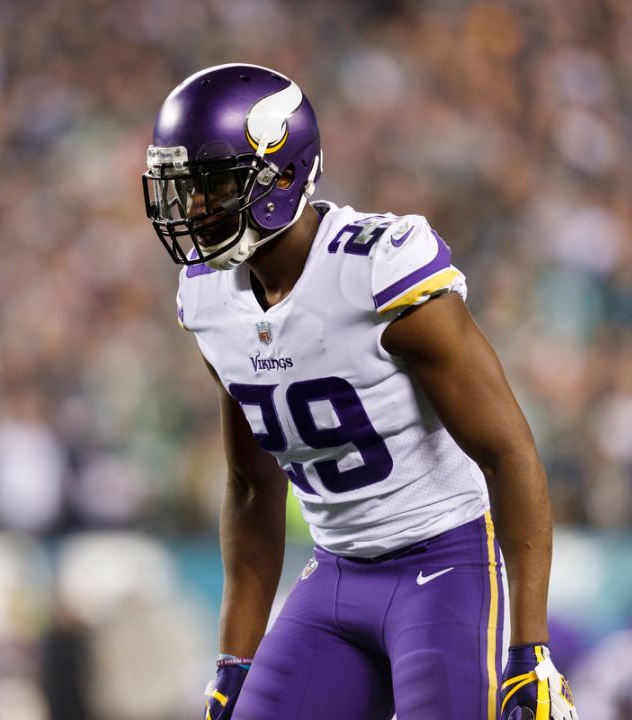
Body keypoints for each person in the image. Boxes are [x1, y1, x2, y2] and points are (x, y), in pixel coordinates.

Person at [142, 63, 578, 720]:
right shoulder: (207, 298)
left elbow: (508, 452)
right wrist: (234, 660)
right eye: (185, 188)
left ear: (282, 176)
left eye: (213, 184)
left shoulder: (378, 271)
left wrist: (531, 646)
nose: (195, 208)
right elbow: (254, 487)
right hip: (335, 578)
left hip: (445, 568)